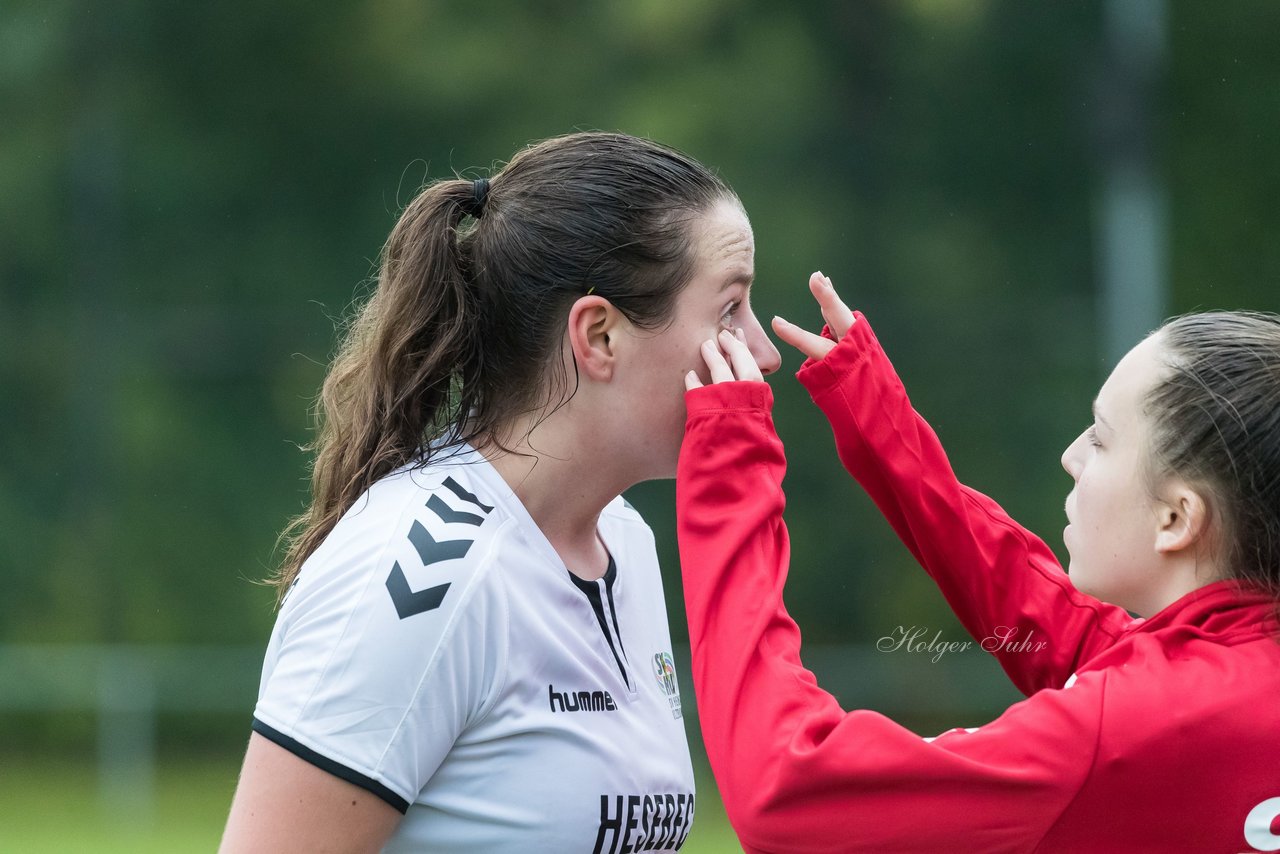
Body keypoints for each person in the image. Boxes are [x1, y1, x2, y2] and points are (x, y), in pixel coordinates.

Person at [218, 131, 781, 853]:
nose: (761, 353)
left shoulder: (630, 545)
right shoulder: (420, 573)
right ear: (599, 335)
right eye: (730, 309)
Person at [675, 272, 1280, 853]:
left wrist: (731, 467)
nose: (1072, 457)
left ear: (1176, 518)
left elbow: (789, 794)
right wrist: (870, 409)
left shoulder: (1131, 727)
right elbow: (1056, 624)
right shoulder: (1233, 689)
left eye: (1100, 437)